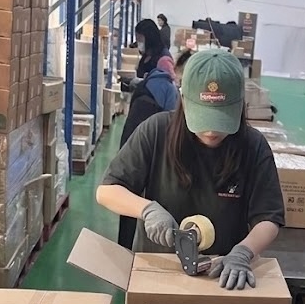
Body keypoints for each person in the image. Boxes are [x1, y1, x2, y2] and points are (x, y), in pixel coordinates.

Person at [97, 48, 285, 289]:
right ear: (184, 100)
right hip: (157, 272)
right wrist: (147, 210)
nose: (211, 131)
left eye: (221, 119)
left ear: (240, 106)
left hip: (222, 277)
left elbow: (268, 217)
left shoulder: (253, 146)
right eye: (204, 118)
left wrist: (243, 252)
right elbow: (107, 191)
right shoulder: (156, 132)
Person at [116, 53, 180, 249]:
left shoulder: (147, 82)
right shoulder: (169, 91)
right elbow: (173, 121)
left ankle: (124, 247)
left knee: (129, 196)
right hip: (152, 145)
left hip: (130, 138)